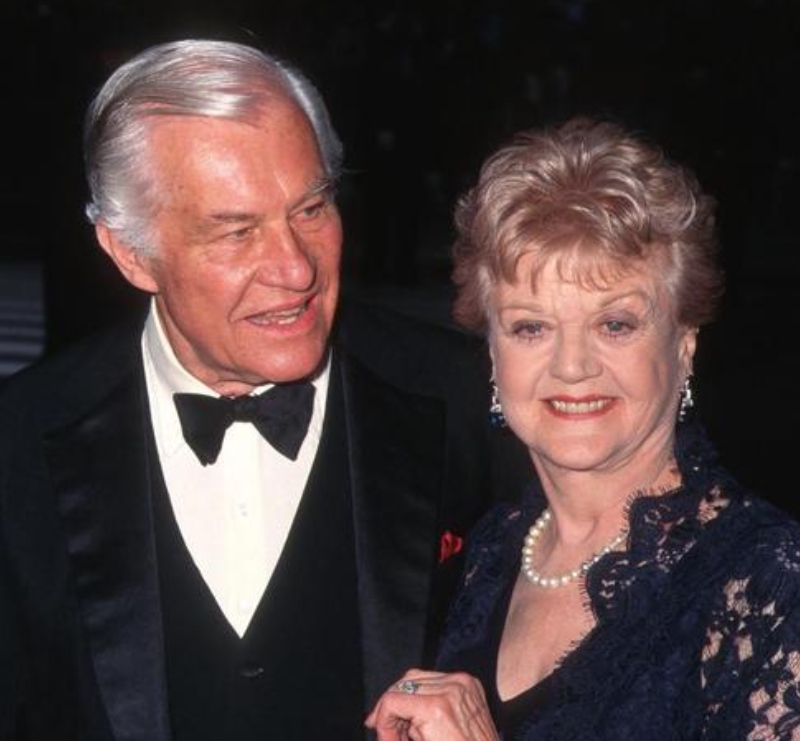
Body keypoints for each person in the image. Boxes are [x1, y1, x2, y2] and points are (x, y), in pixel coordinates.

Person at [0, 40, 528, 740]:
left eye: (311, 209)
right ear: (131, 253)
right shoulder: (19, 447)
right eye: (237, 231)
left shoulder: (464, 394)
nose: (296, 268)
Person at [367, 118, 800, 740]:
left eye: (615, 324)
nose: (572, 366)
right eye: (531, 327)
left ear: (684, 345)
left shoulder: (769, 583)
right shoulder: (490, 550)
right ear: (493, 355)